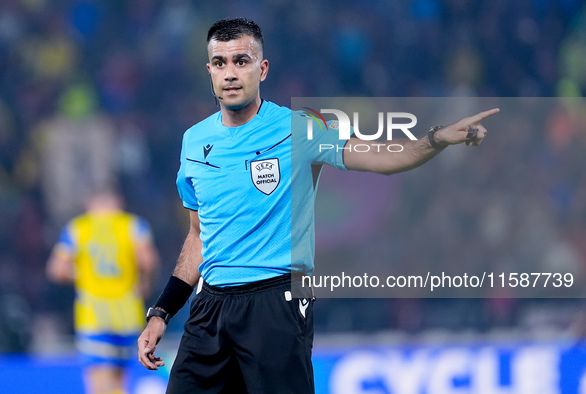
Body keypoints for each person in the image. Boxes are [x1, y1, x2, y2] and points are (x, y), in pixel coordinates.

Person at [137, 17, 499, 393]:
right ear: (209, 71)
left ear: (262, 70)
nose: (230, 73)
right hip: (210, 307)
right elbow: (198, 235)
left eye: (241, 61)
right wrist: (162, 312)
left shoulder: (301, 128)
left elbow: (387, 158)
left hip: (275, 299)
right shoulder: (194, 141)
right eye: (220, 63)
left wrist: (438, 137)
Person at [47, 188, 159, 394]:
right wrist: (145, 282)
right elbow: (149, 261)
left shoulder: (78, 227)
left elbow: (57, 270)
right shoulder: (133, 225)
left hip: (94, 316)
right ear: (118, 201)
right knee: (118, 383)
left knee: (98, 385)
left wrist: (82, 274)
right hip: (127, 314)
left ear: (90, 203)